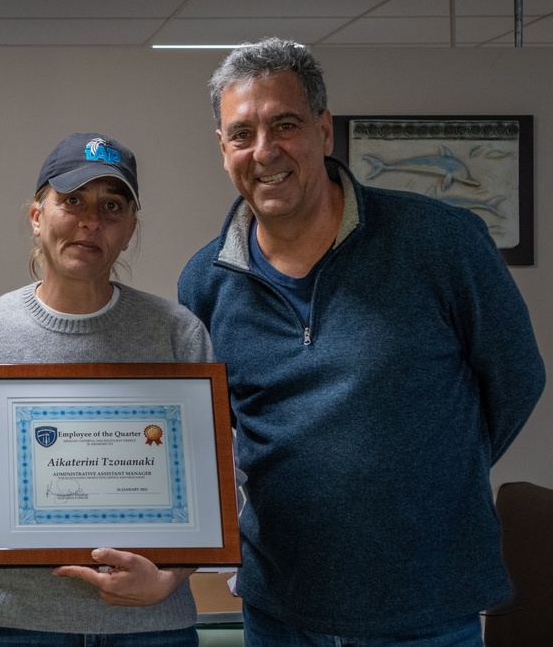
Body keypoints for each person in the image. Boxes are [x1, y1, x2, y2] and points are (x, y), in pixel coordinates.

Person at [178, 37, 546, 646]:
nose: (264, 151)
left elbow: (516, 378)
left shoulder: (442, 243)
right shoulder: (206, 280)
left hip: (426, 610)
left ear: (324, 131)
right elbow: (214, 429)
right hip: (281, 611)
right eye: (242, 134)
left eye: (285, 125)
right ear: (223, 149)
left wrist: (428, 480)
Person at [0, 132, 213, 646]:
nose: (91, 221)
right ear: (37, 215)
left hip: (150, 628)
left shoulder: (175, 334)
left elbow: (210, 485)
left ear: (130, 228)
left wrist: (169, 576)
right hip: (15, 627)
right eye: (72, 201)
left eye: (112, 205)